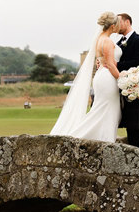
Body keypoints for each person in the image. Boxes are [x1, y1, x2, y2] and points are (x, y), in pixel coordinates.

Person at [50, 12, 122, 142]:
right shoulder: (107, 41)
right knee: (107, 110)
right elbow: (111, 65)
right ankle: (90, 138)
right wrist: (122, 78)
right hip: (108, 77)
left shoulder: (99, 39)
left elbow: (104, 61)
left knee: (103, 109)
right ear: (112, 26)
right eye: (117, 24)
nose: (119, 26)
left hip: (102, 75)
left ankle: (103, 139)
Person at [116, 13, 139, 148]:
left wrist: (115, 64)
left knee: (135, 127)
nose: (116, 25)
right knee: (128, 125)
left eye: (118, 22)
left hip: (135, 87)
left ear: (127, 22)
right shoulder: (118, 43)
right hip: (122, 87)